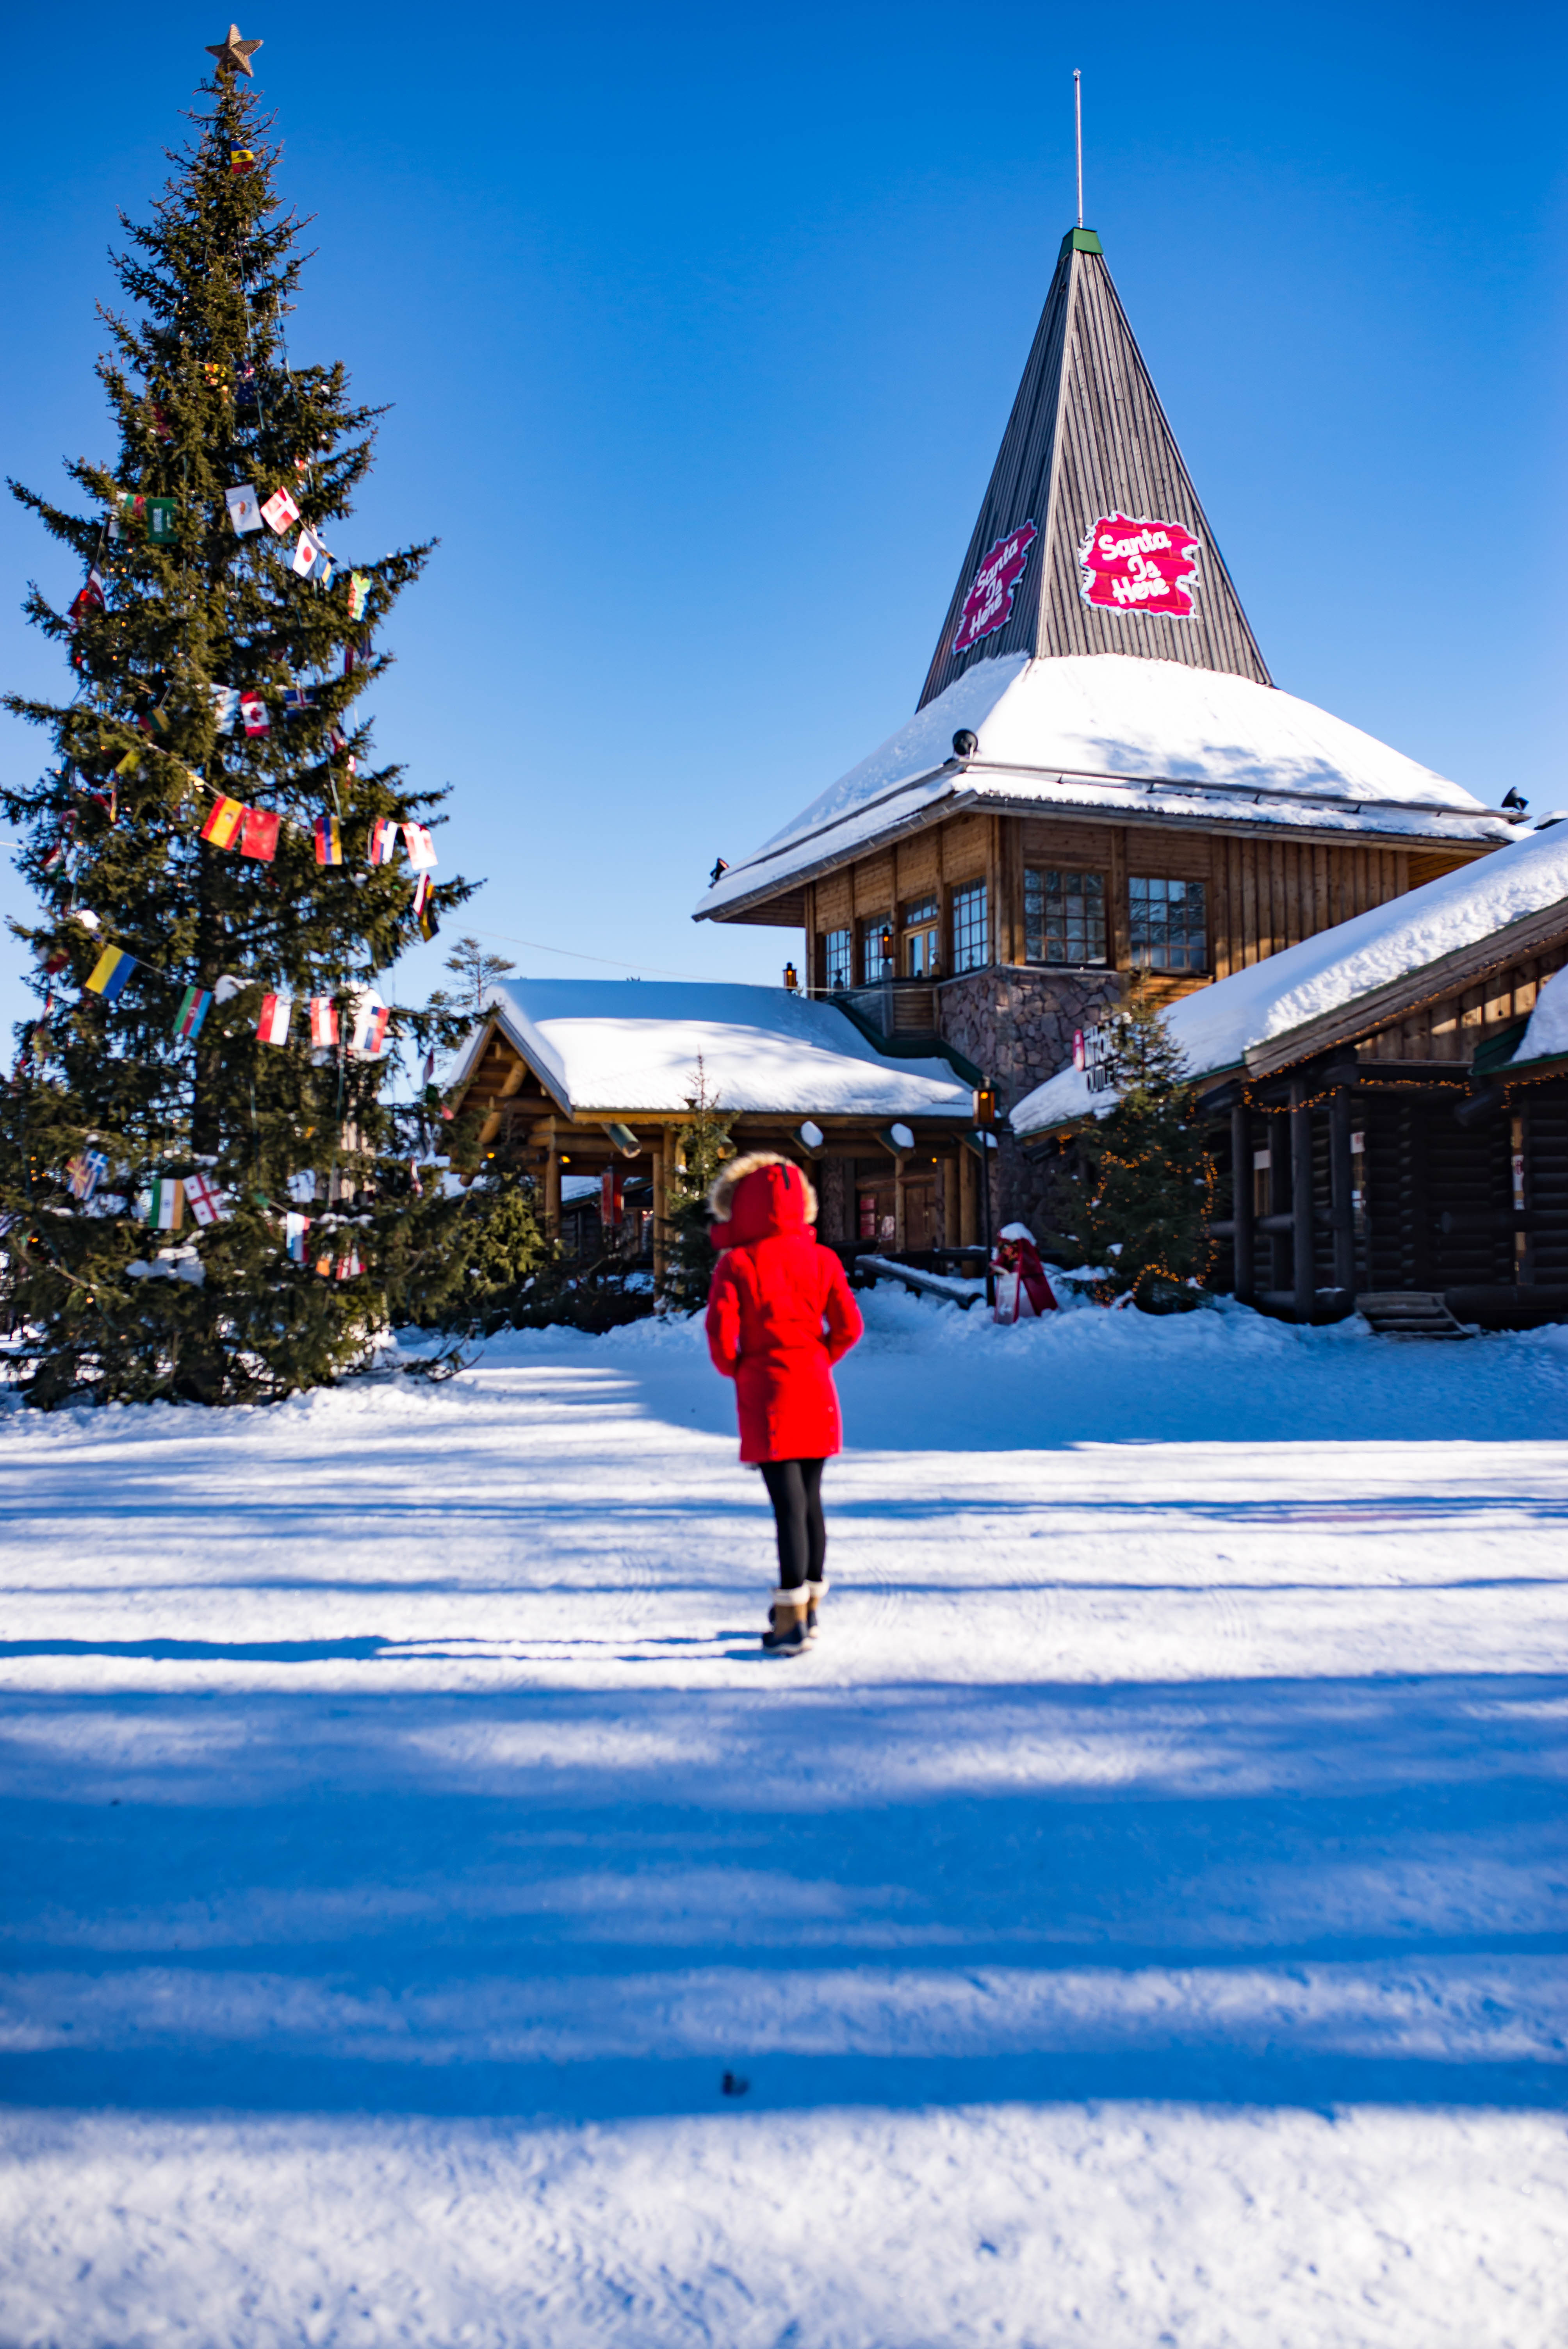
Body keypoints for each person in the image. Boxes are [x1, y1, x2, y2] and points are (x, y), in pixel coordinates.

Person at [704, 1153, 864, 1657]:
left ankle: (790, 1620)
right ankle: (810, 1607)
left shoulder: (737, 1263)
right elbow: (850, 1327)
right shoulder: (823, 1260)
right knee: (811, 1502)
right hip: (816, 1390)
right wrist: (820, 1358)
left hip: (768, 1396)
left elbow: (721, 1336)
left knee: (787, 1507)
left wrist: (740, 1368)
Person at [992, 1221, 1057, 1324]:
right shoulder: (1017, 1238)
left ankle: (1003, 1261)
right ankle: (1003, 1262)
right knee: (1011, 1250)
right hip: (1019, 1244)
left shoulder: (1019, 1238)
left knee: (1011, 1250)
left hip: (1021, 1244)